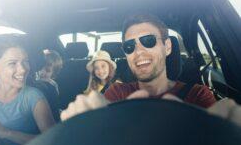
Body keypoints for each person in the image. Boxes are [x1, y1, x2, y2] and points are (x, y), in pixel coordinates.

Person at [60, 13, 241, 127]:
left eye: (148, 41)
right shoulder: (117, 92)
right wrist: (80, 125)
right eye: (129, 47)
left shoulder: (197, 95)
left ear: (167, 47)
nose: (138, 51)